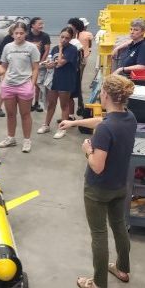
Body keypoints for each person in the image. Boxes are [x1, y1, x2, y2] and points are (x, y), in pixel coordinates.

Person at [59, 74, 136, 288]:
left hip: (98, 189)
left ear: (106, 95)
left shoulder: (105, 130)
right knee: (119, 226)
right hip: (120, 185)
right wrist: (75, 123)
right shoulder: (129, 117)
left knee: (99, 234)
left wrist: (86, 151)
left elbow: (97, 165)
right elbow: (103, 121)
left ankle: (99, 283)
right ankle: (123, 269)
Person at [0, 22, 40, 153]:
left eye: (21, 33)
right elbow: (3, 67)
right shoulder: (7, 47)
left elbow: (35, 68)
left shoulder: (32, 48)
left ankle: (27, 140)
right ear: (12, 34)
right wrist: (1, 80)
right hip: (9, 85)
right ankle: (11, 138)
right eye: (16, 33)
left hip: (24, 85)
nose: (19, 35)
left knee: (25, 114)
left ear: (26, 33)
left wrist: (31, 85)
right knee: (10, 114)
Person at [37, 27, 78, 139]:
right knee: (51, 103)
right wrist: (48, 64)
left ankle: (62, 128)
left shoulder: (72, 49)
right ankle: (46, 125)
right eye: (62, 37)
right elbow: (52, 62)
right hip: (54, 79)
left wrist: (60, 49)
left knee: (64, 105)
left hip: (66, 80)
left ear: (71, 38)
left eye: (67, 38)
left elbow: (60, 63)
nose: (64, 39)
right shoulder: (54, 48)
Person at [26, 17, 51, 112]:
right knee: (29, 84)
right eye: (39, 24)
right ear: (33, 25)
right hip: (28, 64)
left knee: (38, 84)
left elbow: (47, 50)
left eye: (42, 24)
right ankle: (29, 102)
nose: (42, 26)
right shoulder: (27, 36)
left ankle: (36, 103)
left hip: (40, 64)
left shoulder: (45, 36)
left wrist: (41, 62)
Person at [67, 18, 85, 119]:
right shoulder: (72, 41)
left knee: (69, 95)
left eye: (71, 26)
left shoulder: (75, 43)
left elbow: (79, 59)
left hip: (72, 72)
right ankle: (68, 115)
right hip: (71, 71)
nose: (68, 28)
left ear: (76, 30)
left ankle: (70, 115)